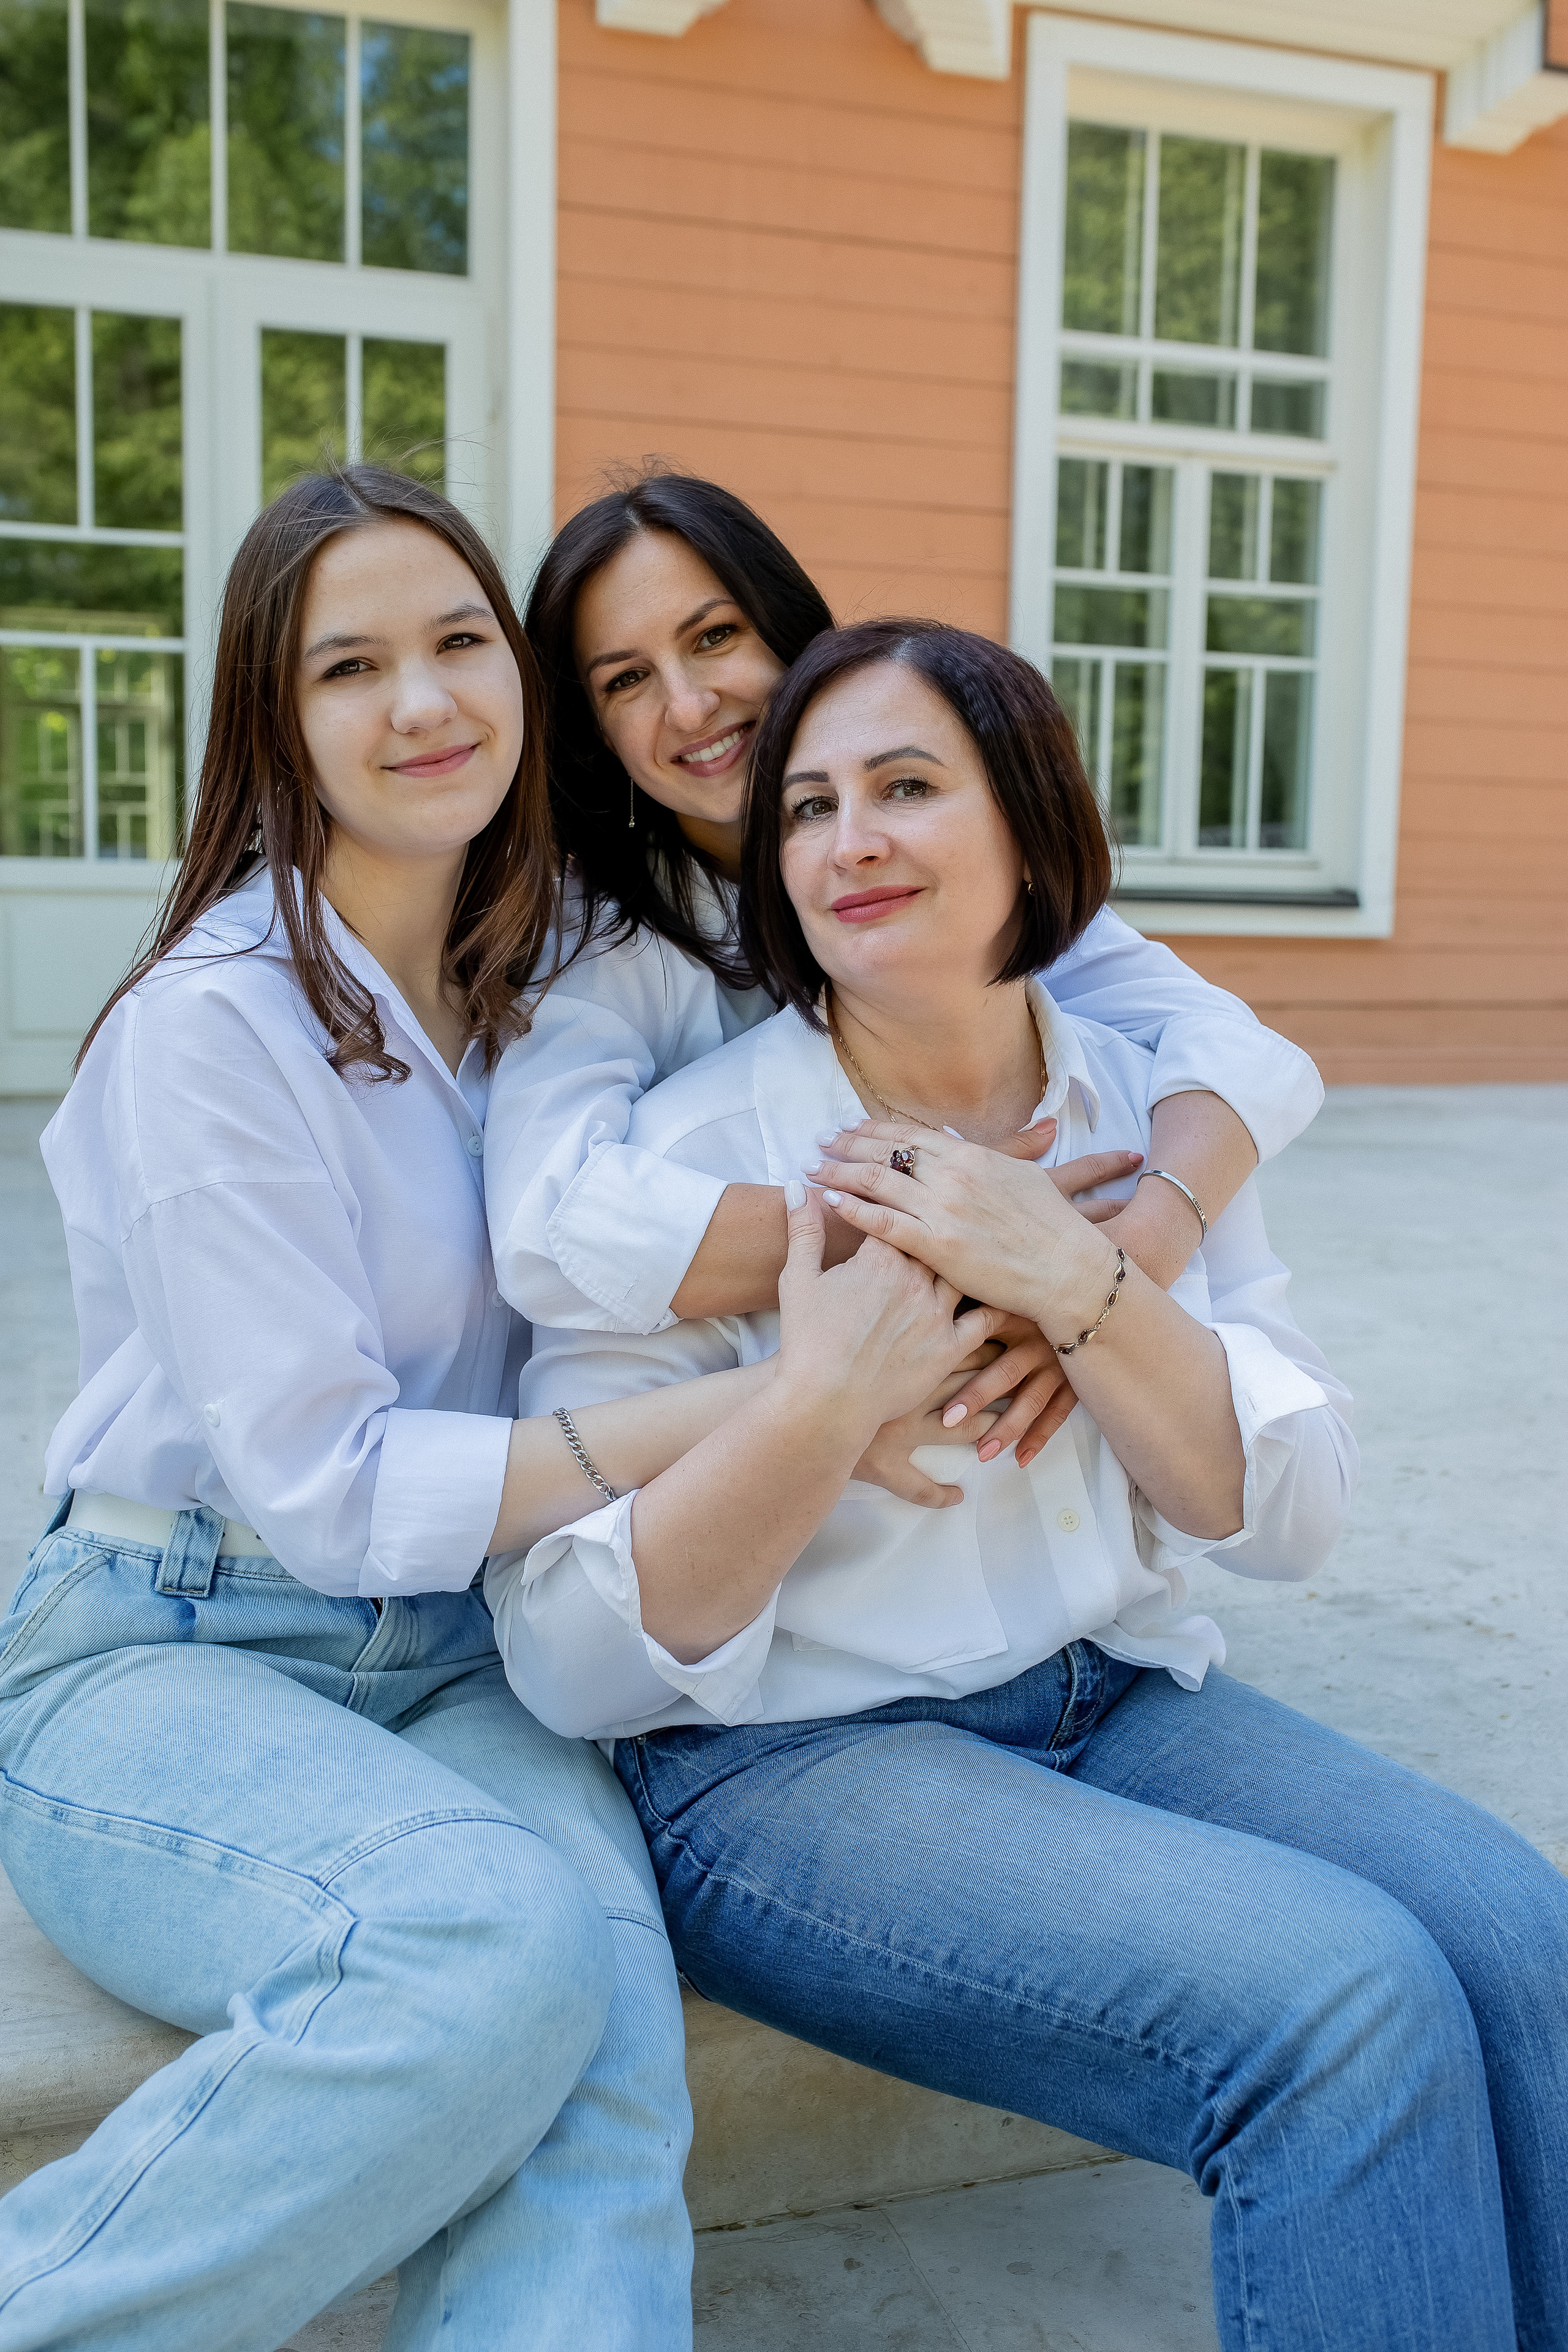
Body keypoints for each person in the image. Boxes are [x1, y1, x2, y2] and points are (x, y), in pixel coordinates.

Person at [489, 621, 1568, 2352]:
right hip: (787, 1764)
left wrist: (1082, 1284)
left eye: (908, 788)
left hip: (1107, 1694)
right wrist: (826, 1395)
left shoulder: (1151, 1119)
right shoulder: (690, 1167)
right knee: (1342, 2004)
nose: (851, 840)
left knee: (1518, 1936)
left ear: (1032, 828)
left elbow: (1281, 1513)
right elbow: (571, 1659)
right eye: (811, 807)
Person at [0, 465, 867, 2352]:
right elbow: (325, 1491)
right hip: (172, 1645)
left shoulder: (561, 972)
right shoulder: (209, 1029)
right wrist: (790, 1403)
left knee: (609, 2064)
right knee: (487, 1946)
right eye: (351, 668)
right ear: (272, 720)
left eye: (464, 642)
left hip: (467, 1653)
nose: (425, 703)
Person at [484, 471, 1324, 1483]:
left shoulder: (958, 883)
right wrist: (942, 1228)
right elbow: (548, 1229)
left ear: (793, 636)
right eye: (625, 680)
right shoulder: (599, 940)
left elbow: (1235, 1049)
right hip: (748, 1426)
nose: (691, 702)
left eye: (716, 637)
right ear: (594, 733)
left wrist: (1128, 1257)